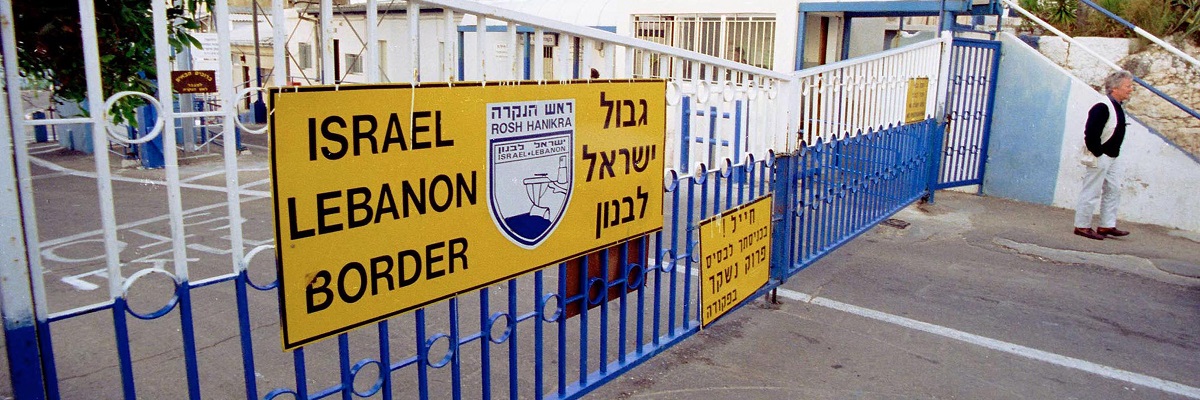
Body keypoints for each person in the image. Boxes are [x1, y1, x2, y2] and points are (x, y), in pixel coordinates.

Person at [1073, 70, 1135, 240]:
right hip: (1101, 156)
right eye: (1128, 86)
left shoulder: (1117, 106)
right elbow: (1090, 133)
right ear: (1115, 88)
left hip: (1113, 156)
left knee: (1113, 190)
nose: (1131, 89)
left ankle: (1106, 225)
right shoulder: (1102, 106)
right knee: (1091, 191)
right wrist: (1098, 153)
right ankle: (1082, 225)